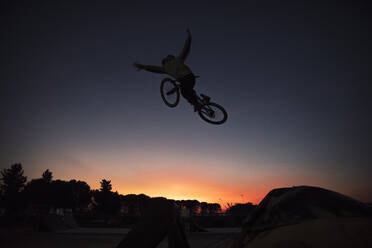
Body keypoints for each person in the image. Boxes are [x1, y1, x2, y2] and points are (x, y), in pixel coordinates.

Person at [133, 29, 200, 111]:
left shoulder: (166, 68)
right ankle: (203, 100)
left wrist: (143, 66)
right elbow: (185, 49)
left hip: (186, 78)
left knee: (184, 92)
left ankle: (196, 104)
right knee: (188, 90)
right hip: (190, 77)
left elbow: (154, 69)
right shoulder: (178, 59)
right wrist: (189, 38)